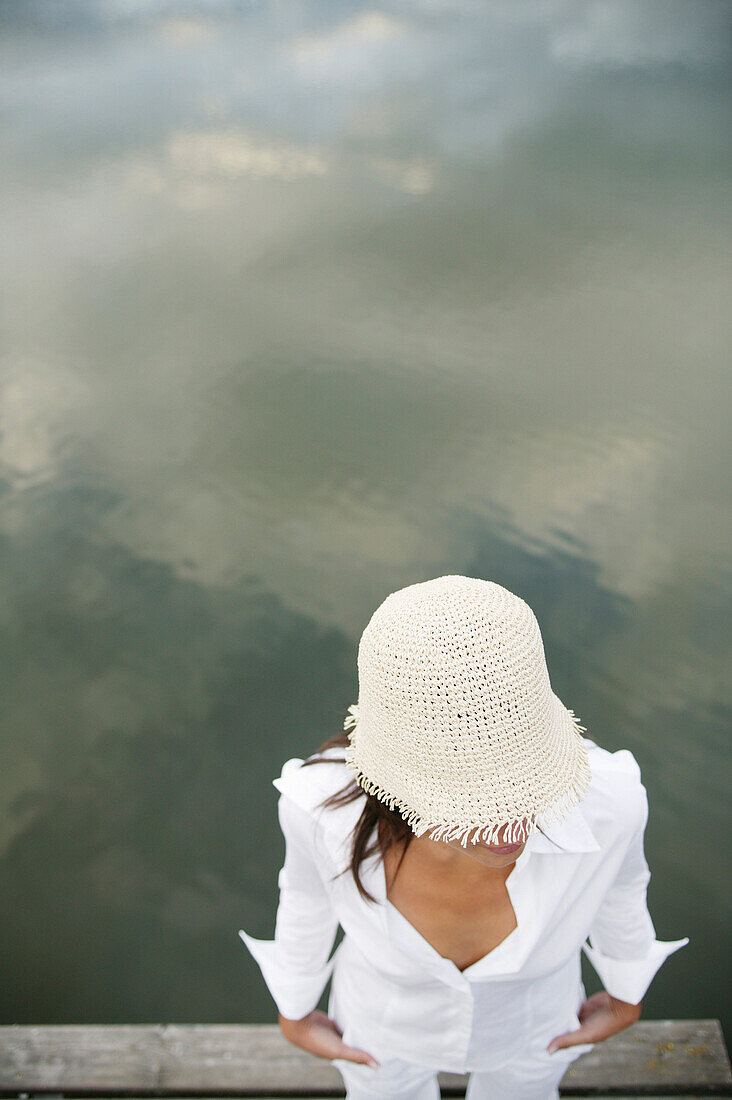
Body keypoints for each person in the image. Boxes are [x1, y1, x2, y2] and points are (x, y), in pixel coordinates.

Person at [238, 576, 689, 1100]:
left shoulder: (612, 802)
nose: (511, 823)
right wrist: (294, 1008)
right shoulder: (316, 809)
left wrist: (626, 991)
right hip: (381, 1034)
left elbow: (622, 888)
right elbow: (305, 899)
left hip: (535, 1032)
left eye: (527, 778)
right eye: (472, 799)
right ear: (399, 778)